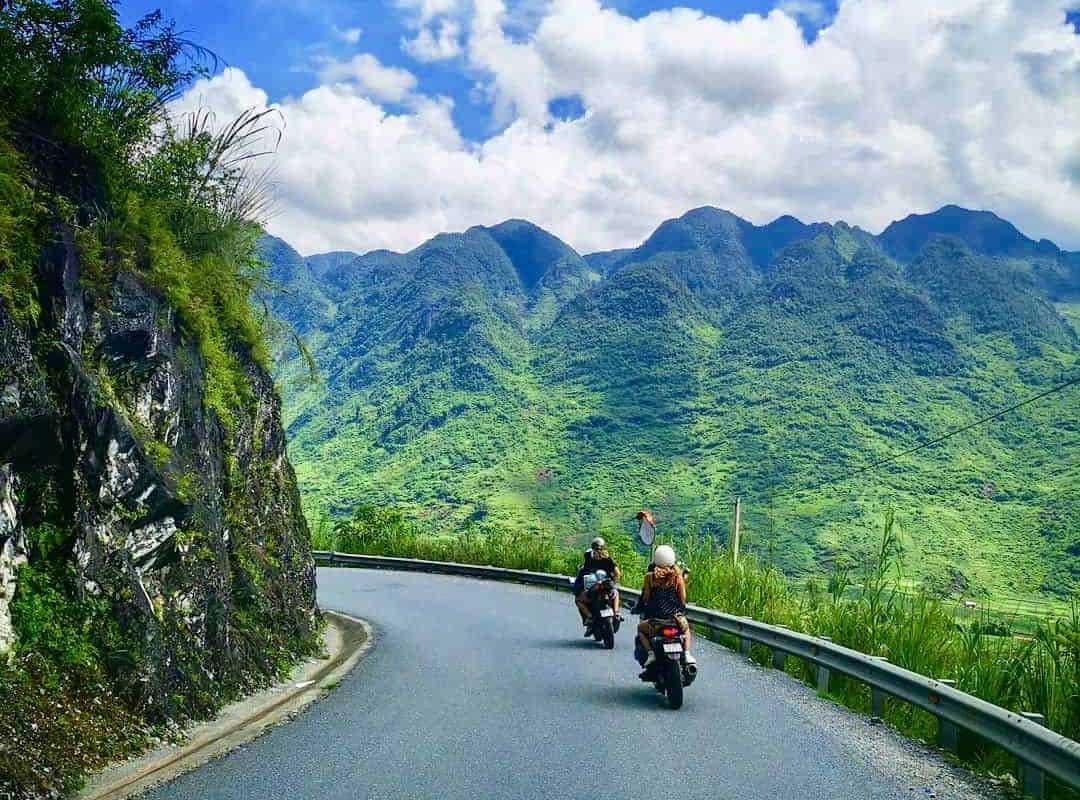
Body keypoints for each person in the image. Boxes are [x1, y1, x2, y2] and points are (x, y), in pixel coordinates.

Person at [636, 544, 694, 669]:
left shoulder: (649, 577)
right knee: (686, 630)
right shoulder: (677, 577)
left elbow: (645, 598)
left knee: (640, 629)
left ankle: (651, 654)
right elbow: (683, 599)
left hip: (656, 621)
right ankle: (687, 654)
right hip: (675, 619)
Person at [574, 537, 621, 631]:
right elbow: (617, 573)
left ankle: (589, 617)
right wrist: (613, 582)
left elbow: (584, 573)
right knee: (615, 593)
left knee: (578, 600)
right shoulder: (608, 558)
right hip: (605, 586)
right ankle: (616, 612)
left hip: (594, 587)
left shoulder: (589, 557)